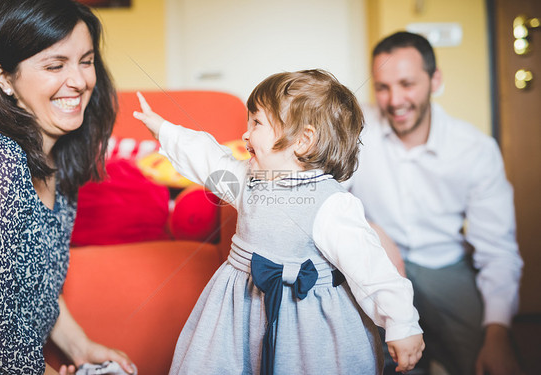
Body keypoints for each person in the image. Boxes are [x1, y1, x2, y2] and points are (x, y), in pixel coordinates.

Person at [133, 69, 425, 374]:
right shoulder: (247, 179)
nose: (245, 134)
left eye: (257, 123)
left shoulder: (332, 203)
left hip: (308, 320)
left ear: (303, 140)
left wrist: (402, 323)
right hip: (240, 311)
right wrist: (163, 129)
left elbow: (371, 269)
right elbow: (209, 158)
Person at [342, 31, 524, 375]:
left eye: (407, 83)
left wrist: (498, 334)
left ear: (434, 80)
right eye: (382, 87)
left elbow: (498, 250)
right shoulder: (353, 130)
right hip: (377, 267)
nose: (395, 99)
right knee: (371, 360)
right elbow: (327, 196)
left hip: (447, 268)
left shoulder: (475, 149)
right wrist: (371, 229)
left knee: (492, 360)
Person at [0, 0, 136, 374]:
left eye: (86, 60)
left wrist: (80, 347)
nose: (80, 81)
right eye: (54, 65)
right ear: (4, 78)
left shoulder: (60, 163)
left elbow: (36, 287)